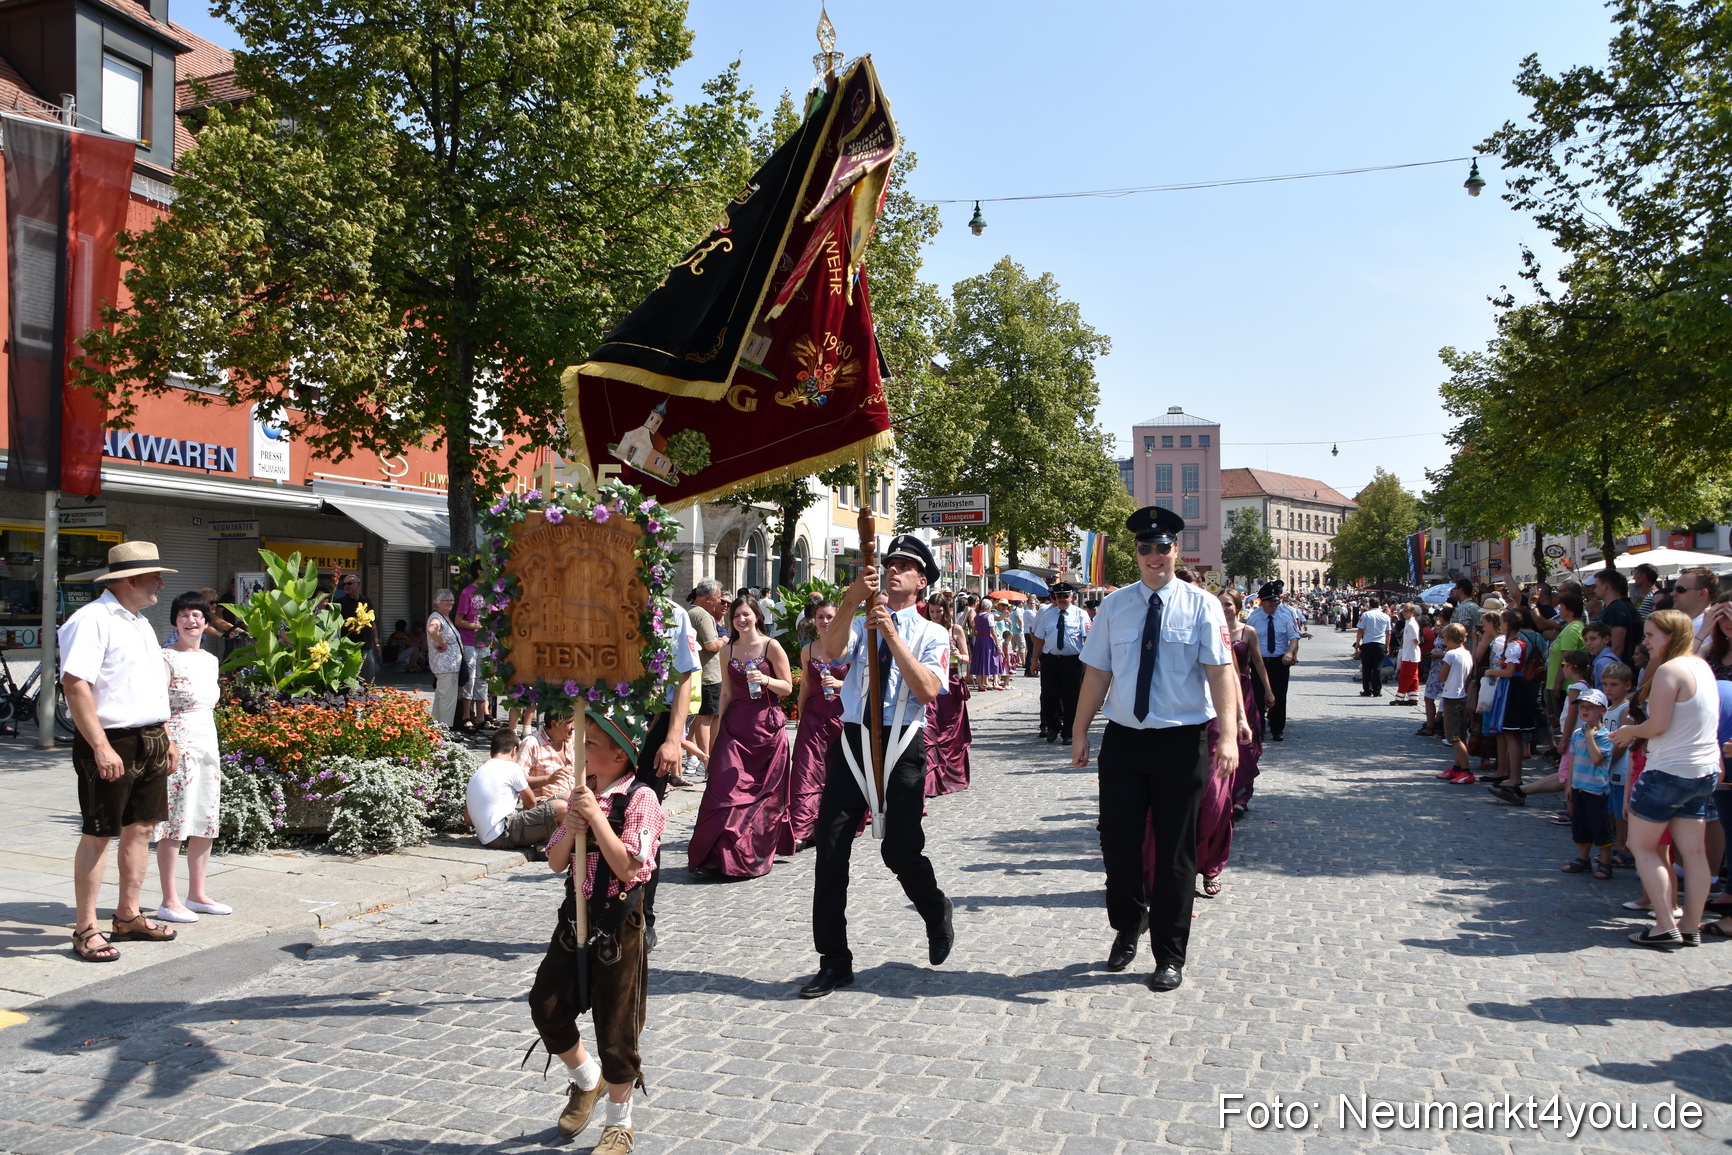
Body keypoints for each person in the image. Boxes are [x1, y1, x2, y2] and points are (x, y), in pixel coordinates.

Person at [1071, 507, 1239, 994]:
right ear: (1136, 553)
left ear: (1175, 550)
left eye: (1162, 547)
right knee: (1118, 845)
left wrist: (1228, 735)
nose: (1154, 556)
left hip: (1180, 742)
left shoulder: (1202, 605)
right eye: (1145, 548)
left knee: (1174, 854)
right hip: (1124, 740)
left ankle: (1169, 954)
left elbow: (1220, 672)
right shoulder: (1114, 606)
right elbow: (1097, 673)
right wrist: (1080, 730)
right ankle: (1129, 924)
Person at [799, 535, 952, 999]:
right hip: (854, 739)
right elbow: (830, 651)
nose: (893, 570)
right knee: (830, 849)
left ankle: (934, 908)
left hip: (902, 741)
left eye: (905, 566)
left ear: (921, 581)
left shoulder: (932, 633)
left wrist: (891, 634)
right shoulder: (862, 619)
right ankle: (834, 960)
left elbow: (927, 690)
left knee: (900, 851)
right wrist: (850, 603)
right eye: (891, 564)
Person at [529, 707, 663, 1150]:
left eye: (591, 744)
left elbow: (628, 868)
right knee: (546, 1005)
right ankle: (588, 1078)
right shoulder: (581, 793)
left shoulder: (641, 798)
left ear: (620, 755)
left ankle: (620, 1123)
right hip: (574, 915)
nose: (581, 750)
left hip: (617, 921)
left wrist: (598, 819)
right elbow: (555, 862)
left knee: (617, 1026)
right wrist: (572, 825)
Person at [58, 542, 183, 962]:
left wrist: (166, 734)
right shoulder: (91, 620)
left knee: (142, 828)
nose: (161, 584)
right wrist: (100, 746)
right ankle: (85, 928)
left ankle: (128, 915)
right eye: (154, 577)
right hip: (112, 740)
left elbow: (149, 685)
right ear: (129, 580)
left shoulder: (139, 622)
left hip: (149, 737)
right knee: (99, 832)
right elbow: (75, 685)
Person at [1611, 609, 1722, 948]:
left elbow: (1657, 725)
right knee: (1694, 852)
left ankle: (1664, 924)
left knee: (1642, 846)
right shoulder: (1701, 666)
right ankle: (1689, 925)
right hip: (1702, 771)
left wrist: (1629, 731)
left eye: (1650, 635)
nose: (1645, 641)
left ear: (1671, 636)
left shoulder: (1669, 670)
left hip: (1669, 771)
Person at [687, 596, 793, 878]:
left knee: (760, 795)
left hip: (765, 730)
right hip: (735, 728)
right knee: (724, 789)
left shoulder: (771, 646)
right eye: (736, 616)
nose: (741, 620)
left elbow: (788, 687)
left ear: (757, 616)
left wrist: (766, 680)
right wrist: (720, 732)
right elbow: (726, 693)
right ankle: (717, 855)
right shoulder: (728, 650)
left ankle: (746, 854)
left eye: (746, 614)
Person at [154, 592, 229, 924]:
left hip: (206, 740)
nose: (191, 620)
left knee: (205, 816)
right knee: (174, 820)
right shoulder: (165, 657)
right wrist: (168, 742)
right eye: (184, 614)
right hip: (178, 741)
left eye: (197, 615)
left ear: (206, 621)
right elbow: (158, 704)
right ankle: (169, 899)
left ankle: (197, 894)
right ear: (175, 621)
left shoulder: (210, 660)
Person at [789, 601, 847, 850]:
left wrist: (839, 684)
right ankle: (802, 828)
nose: (825, 621)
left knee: (836, 771)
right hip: (813, 716)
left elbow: (861, 684)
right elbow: (805, 684)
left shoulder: (848, 648)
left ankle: (834, 822)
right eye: (821, 617)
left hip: (841, 716)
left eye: (830, 617)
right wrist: (801, 713)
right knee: (806, 770)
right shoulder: (808, 650)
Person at [465, 727, 568, 849]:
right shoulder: (512, 767)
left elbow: (468, 820)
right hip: (503, 833)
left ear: (492, 752)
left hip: (485, 837)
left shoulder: (477, 773)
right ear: (514, 751)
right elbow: (531, 802)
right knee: (561, 808)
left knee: (563, 800)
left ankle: (546, 842)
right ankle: (554, 845)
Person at [1219, 589, 1270, 825]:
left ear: (1237, 606)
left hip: (1243, 690)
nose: (1224, 609)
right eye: (1220, 604)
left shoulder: (1247, 631)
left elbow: (1258, 661)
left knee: (1245, 743)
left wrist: (1268, 689)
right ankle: (1223, 793)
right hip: (1219, 690)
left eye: (1228, 604)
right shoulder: (1211, 629)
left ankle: (1241, 795)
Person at [1030, 582, 1090, 743]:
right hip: (1050, 660)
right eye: (1059, 597)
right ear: (1054, 598)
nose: (1062, 599)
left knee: (1072, 698)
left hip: (1072, 661)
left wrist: (1087, 662)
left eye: (1065, 596)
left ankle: (1068, 732)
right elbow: (1039, 639)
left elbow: (1088, 639)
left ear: (1072, 597)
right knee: (1049, 695)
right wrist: (1034, 660)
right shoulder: (1047, 615)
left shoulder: (1080, 614)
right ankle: (1053, 726)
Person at [925, 597, 973, 797]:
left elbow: (967, 657)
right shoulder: (925, 628)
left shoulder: (955, 630)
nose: (936, 615)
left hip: (951, 685)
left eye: (939, 611)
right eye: (932, 611)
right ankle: (932, 779)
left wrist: (959, 655)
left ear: (946, 610)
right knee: (930, 730)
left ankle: (952, 775)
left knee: (951, 733)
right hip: (932, 683)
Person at [1245, 581, 1299, 741]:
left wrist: (1289, 652)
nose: (1273, 604)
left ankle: (1277, 728)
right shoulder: (1254, 618)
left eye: (1276, 600)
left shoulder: (1285, 617)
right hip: (1259, 661)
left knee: (1279, 696)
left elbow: (1294, 637)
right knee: (1258, 695)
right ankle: (1259, 729)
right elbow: (1247, 639)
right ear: (1262, 601)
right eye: (1270, 601)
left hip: (1279, 662)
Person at [687, 581, 726, 770]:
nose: (719, 602)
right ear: (708, 598)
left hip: (700, 673)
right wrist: (724, 640)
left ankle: (701, 757)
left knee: (701, 718)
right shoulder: (702, 615)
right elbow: (711, 645)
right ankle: (707, 758)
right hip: (708, 674)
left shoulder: (690, 612)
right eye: (718, 598)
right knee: (708, 717)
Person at [454, 562, 489, 733]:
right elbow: (458, 621)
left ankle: (481, 717)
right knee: (470, 679)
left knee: (483, 679)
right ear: (479, 572)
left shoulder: (490, 592)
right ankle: (466, 716)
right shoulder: (467, 593)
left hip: (485, 643)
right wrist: (477, 626)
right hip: (469, 642)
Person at [520, 714, 578, 803]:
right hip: (545, 803)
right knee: (567, 800)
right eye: (570, 722)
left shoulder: (572, 738)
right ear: (554, 724)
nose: (573, 726)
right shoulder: (531, 742)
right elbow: (518, 780)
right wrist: (548, 779)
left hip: (573, 799)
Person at [427, 590, 462, 728]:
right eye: (446, 600)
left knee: (441, 698)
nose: (450, 602)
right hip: (446, 667)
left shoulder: (445, 617)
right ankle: (446, 728)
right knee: (447, 700)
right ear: (437, 602)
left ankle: (436, 727)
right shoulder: (437, 618)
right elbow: (432, 630)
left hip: (449, 666)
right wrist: (443, 642)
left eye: (451, 600)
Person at [336, 571, 380, 682]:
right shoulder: (340, 603)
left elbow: (372, 623)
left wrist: (376, 644)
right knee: (349, 678)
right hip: (348, 646)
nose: (346, 586)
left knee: (367, 678)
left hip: (366, 645)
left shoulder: (366, 601)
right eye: (344, 584)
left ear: (358, 585)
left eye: (349, 583)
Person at [1594, 569, 1638, 666]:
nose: (1594, 590)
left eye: (1596, 586)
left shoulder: (1616, 610)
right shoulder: (1611, 608)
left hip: (1614, 667)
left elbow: (1617, 647)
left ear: (1605, 586)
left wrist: (1609, 668)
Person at [1354, 599, 1392, 697]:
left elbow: (1360, 630)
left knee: (1367, 668)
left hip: (1368, 644)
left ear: (1370, 605)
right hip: (1380, 644)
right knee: (1377, 668)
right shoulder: (1385, 616)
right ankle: (1377, 690)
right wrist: (1387, 645)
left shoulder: (1366, 615)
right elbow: (1388, 632)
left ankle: (1367, 689)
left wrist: (1357, 643)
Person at [970, 597, 1004, 692]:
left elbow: (973, 632)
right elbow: (993, 631)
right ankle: (995, 682)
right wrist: (998, 645)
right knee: (994, 659)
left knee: (980, 661)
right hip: (988, 640)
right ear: (989, 607)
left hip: (979, 640)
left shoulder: (976, 617)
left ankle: (980, 684)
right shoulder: (990, 616)